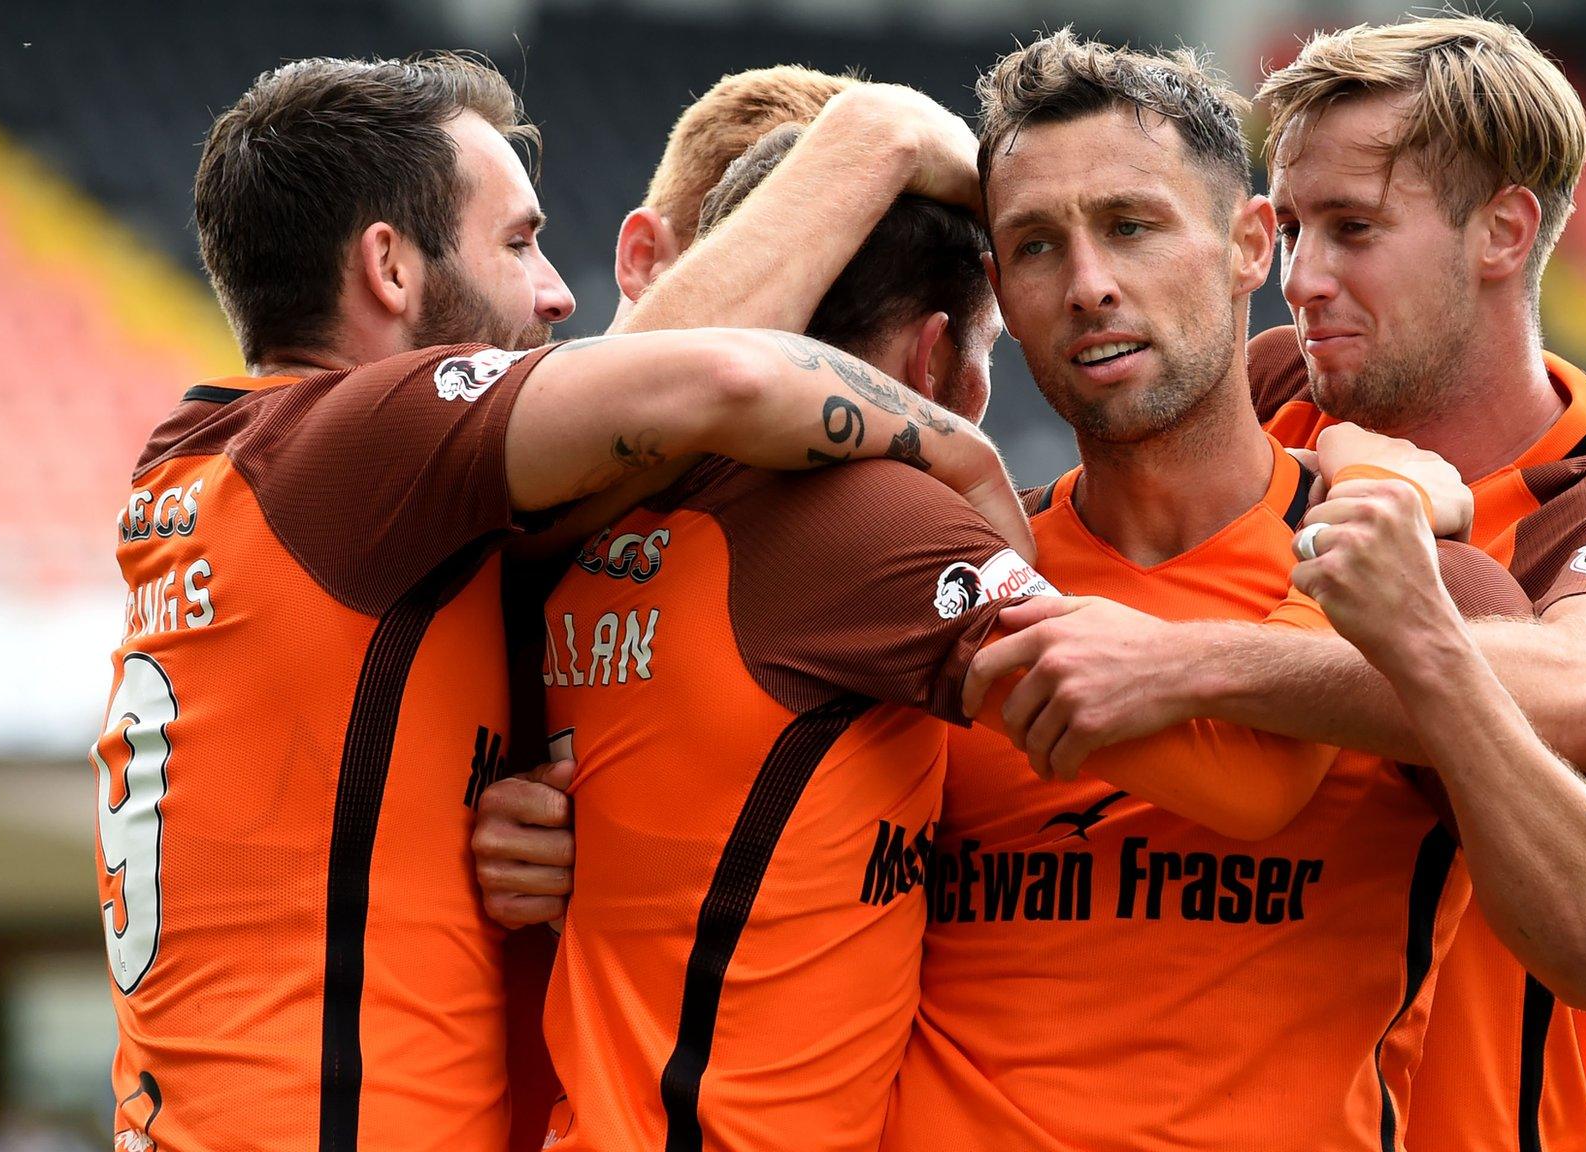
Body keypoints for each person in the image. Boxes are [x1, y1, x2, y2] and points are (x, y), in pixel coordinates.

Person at [477, 33, 1586, 1149]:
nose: (1091, 283)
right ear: (994, 299)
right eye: (1035, 245)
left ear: (1250, 242)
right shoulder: (928, 568)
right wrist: (595, 838)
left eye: (1130, 225)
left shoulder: (1424, 581)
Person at [93, 53, 1025, 1152]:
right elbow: (716, 380)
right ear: (389, 270)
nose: (559, 295)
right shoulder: (354, 446)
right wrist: (962, 450)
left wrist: (524, 819)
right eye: (517, 242)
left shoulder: (219, 464)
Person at [967, 17, 1586, 1152]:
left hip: (1471, 1120)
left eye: (1351, 231)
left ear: (1500, 230)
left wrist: (1186, 663)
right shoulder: (1280, 391)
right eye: (1287, 229)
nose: (1302, 278)